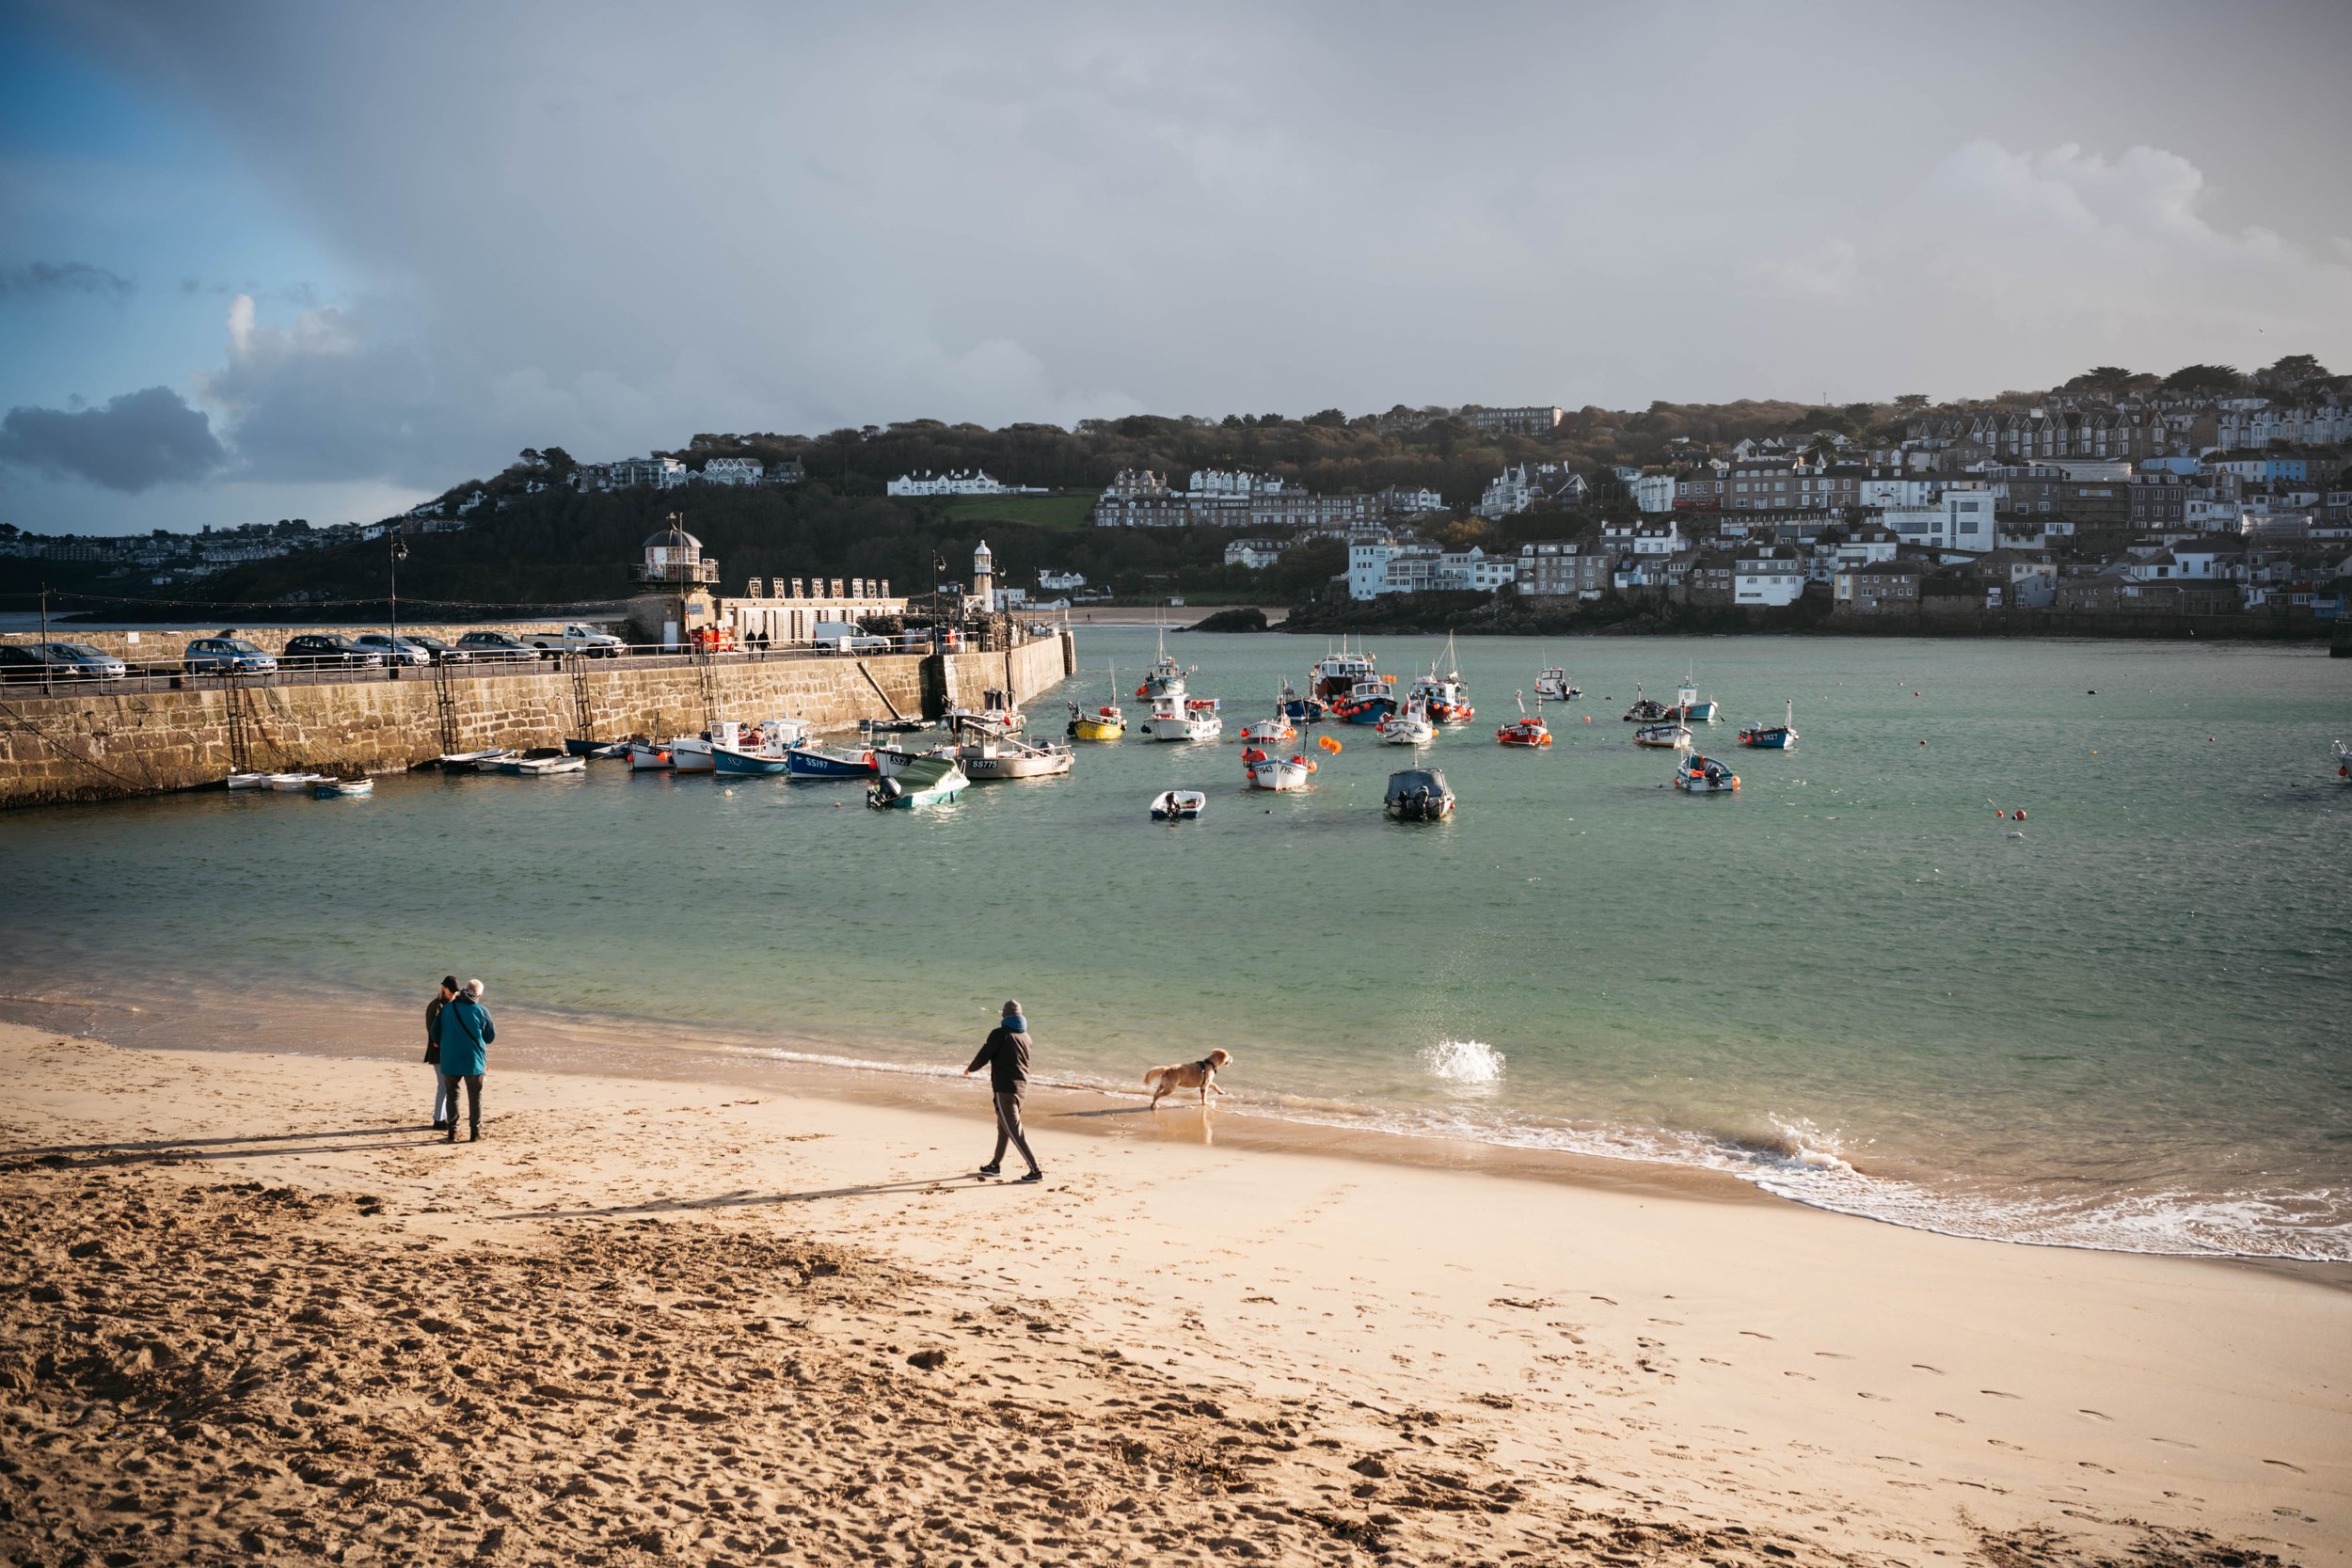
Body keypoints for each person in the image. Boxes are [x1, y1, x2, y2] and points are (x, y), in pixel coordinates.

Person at [963, 1000, 1041, 1183]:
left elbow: (985, 1054)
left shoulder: (1000, 1034)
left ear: (1004, 1015)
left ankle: (1035, 1170)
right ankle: (994, 1165)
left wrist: (971, 1069)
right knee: (1004, 1128)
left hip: (1005, 1090)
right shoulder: (1026, 1038)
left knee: (1014, 1130)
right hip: (1021, 1090)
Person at [437, 978, 495, 1144]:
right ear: (479, 994)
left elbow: (435, 1032)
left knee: (452, 1094)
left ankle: (453, 1131)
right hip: (473, 1060)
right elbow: (490, 1037)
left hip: (450, 1059)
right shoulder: (481, 1011)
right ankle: (475, 1132)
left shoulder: (447, 1008)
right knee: (475, 1096)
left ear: (464, 989)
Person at [424, 976, 458, 1130]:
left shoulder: (448, 1004)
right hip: (437, 1051)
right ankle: (438, 1119)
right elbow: (432, 1030)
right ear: (444, 989)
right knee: (443, 1085)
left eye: (456, 992)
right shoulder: (436, 1006)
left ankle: (441, 1117)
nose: (454, 995)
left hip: (445, 1050)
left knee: (444, 1085)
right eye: (452, 992)